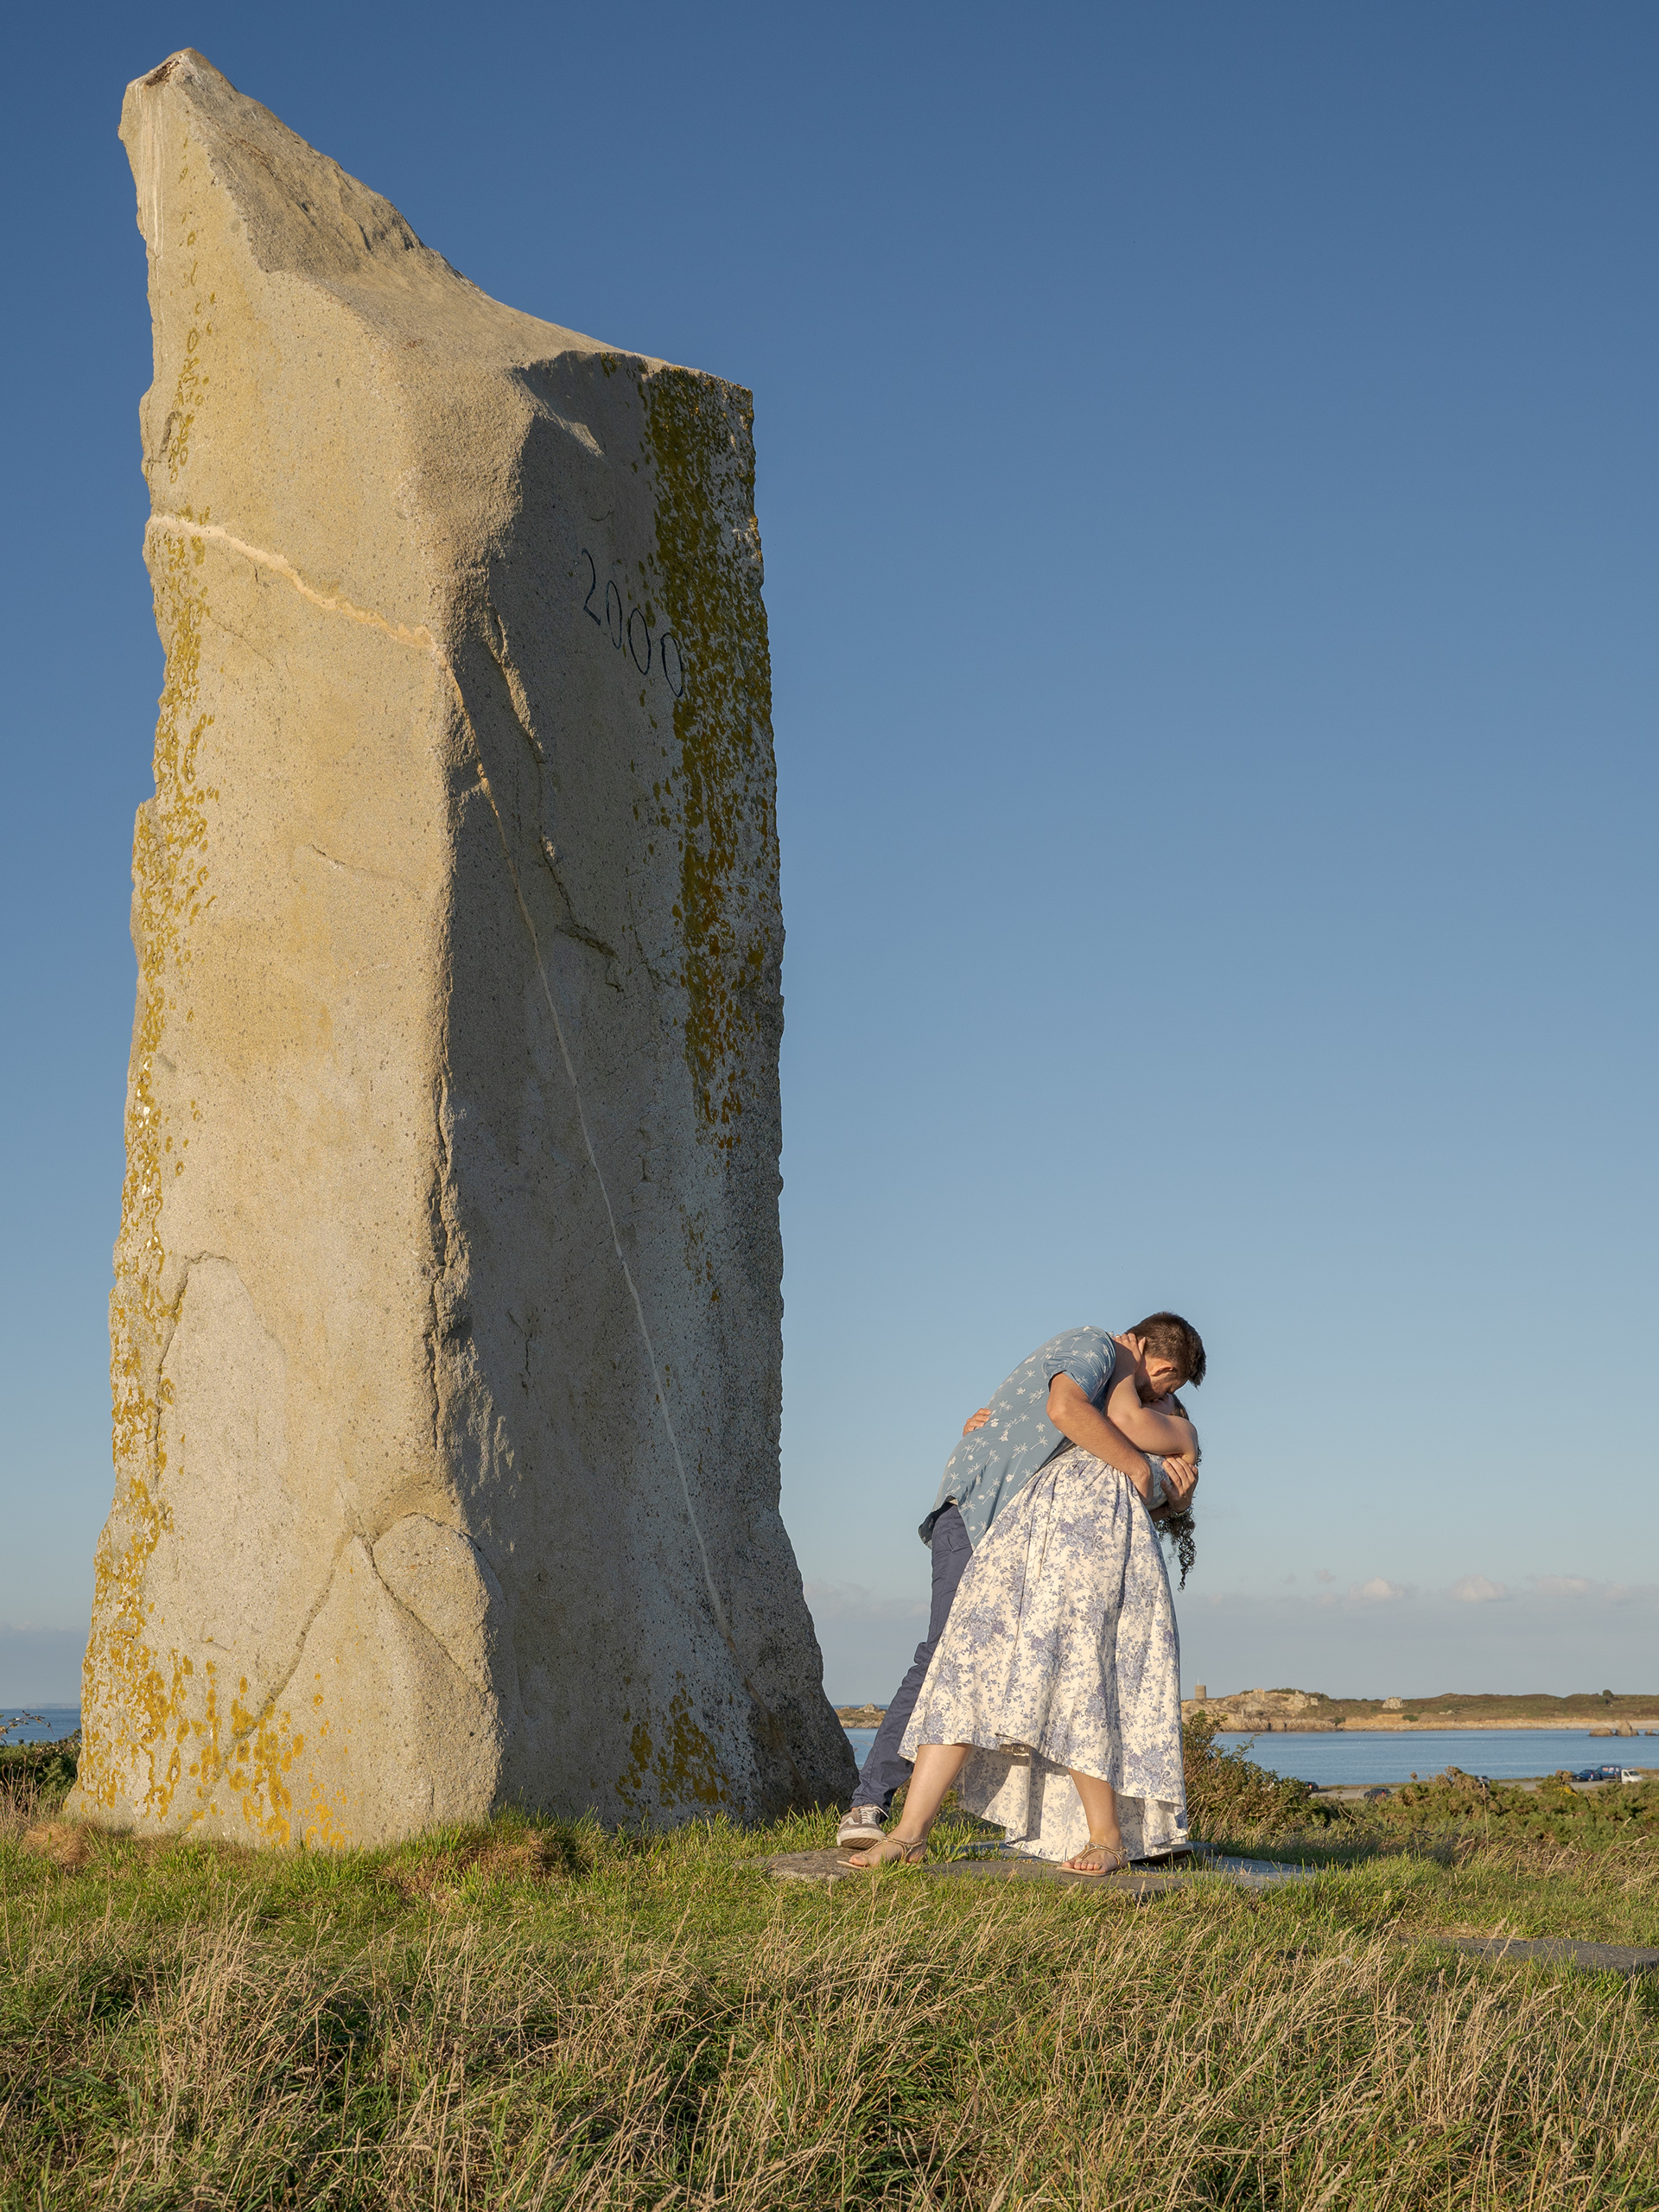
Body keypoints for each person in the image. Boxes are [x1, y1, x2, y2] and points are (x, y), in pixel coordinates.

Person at [834, 1315, 1203, 1853]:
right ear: (1154, 1356)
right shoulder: (1098, 1348)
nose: (1163, 1396)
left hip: (1025, 1535)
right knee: (949, 1656)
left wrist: (1171, 1497)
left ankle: (917, 1819)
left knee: (1008, 1665)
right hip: (984, 1516)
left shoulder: (1113, 1394)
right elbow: (1066, 1411)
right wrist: (1139, 1465)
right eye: (1168, 1382)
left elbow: (1105, 1464)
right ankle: (871, 1802)